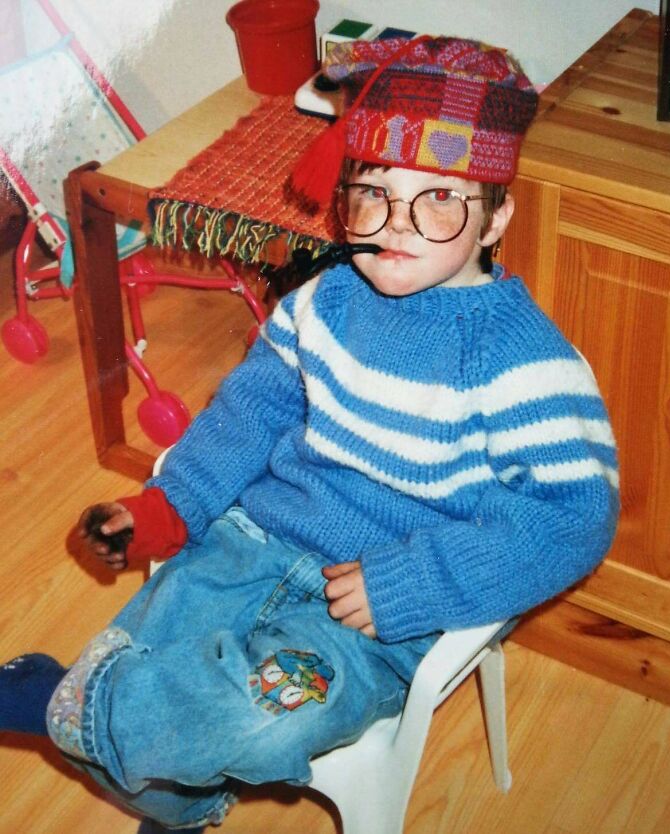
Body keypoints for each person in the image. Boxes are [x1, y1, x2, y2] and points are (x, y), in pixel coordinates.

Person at [0, 35, 619, 832]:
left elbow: (575, 518)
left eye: (439, 198)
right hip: (245, 543)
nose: (395, 225)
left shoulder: (524, 364)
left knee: (254, 719)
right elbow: (249, 413)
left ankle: (53, 701)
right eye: (372, 193)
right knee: (138, 667)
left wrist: (413, 583)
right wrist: (169, 508)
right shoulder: (321, 303)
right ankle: (167, 796)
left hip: (371, 617)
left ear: (496, 216)